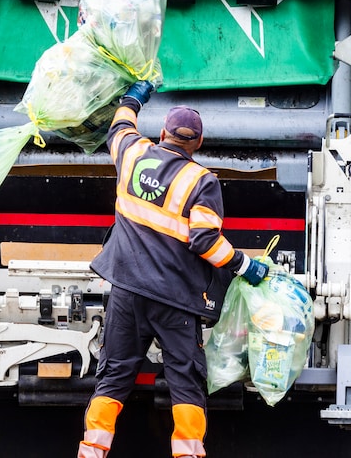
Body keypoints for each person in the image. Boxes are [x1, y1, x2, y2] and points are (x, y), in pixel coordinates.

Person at [78, 81, 269, 458]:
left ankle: (91, 453)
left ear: (162, 133)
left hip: (127, 292)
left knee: (113, 376)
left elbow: (119, 126)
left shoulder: (133, 153)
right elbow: (204, 241)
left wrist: (135, 95)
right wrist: (245, 265)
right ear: (197, 144)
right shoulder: (202, 181)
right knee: (185, 382)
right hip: (176, 301)